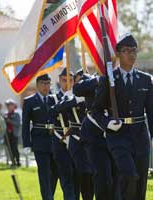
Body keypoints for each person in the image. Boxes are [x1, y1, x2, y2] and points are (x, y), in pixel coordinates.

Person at [92, 33, 153, 200]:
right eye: (126, 51)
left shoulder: (145, 80)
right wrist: (107, 123)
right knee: (129, 174)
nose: (131, 54)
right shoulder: (108, 80)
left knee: (140, 181)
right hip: (118, 136)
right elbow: (96, 110)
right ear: (118, 54)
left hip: (140, 135)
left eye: (134, 50)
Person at [73, 71, 119, 200]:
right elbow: (77, 89)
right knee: (103, 176)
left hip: (115, 133)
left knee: (117, 177)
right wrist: (98, 80)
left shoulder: (121, 76)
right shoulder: (91, 79)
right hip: (94, 136)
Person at [52, 69, 94, 200]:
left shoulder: (94, 94)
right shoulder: (69, 95)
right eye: (79, 82)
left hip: (93, 139)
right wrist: (75, 100)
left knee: (92, 178)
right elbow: (57, 108)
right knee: (78, 176)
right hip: (76, 140)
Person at [22, 74, 59, 200]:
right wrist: (26, 143)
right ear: (37, 85)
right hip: (39, 142)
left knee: (55, 173)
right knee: (44, 174)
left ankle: (50, 196)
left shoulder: (54, 99)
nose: (46, 86)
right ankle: (47, 198)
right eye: (43, 83)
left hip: (54, 141)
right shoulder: (29, 101)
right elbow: (25, 124)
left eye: (48, 83)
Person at [50, 68, 76, 200]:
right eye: (64, 80)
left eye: (70, 80)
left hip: (77, 141)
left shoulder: (77, 96)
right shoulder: (53, 98)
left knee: (79, 178)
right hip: (60, 141)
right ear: (59, 81)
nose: (67, 83)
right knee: (66, 178)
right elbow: (51, 115)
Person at [4, 99, 21, 167]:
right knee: (9, 149)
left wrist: (9, 121)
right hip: (7, 134)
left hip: (14, 134)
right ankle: (12, 162)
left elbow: (18, 124)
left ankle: (18, 161)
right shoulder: (6, 114)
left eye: (10, 105)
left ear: (14, 106)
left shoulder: (16, 114)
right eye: (8, 105)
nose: (9, 107)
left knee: (14, 148)